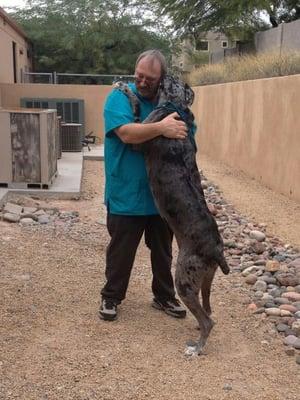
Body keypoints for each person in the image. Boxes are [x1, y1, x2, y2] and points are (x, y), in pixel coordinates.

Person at [99, 49, 188, 321]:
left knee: (163, 251)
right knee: (121, 251)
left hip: (160, 196)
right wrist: (161, 128)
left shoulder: (168, 102)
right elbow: (126, 133)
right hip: (126, 193)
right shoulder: (119, 97)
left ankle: (164, 296)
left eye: (150, 77)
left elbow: (185, 133)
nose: (143, 81)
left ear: (162, 78)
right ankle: (111, 297)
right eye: (139, 75)